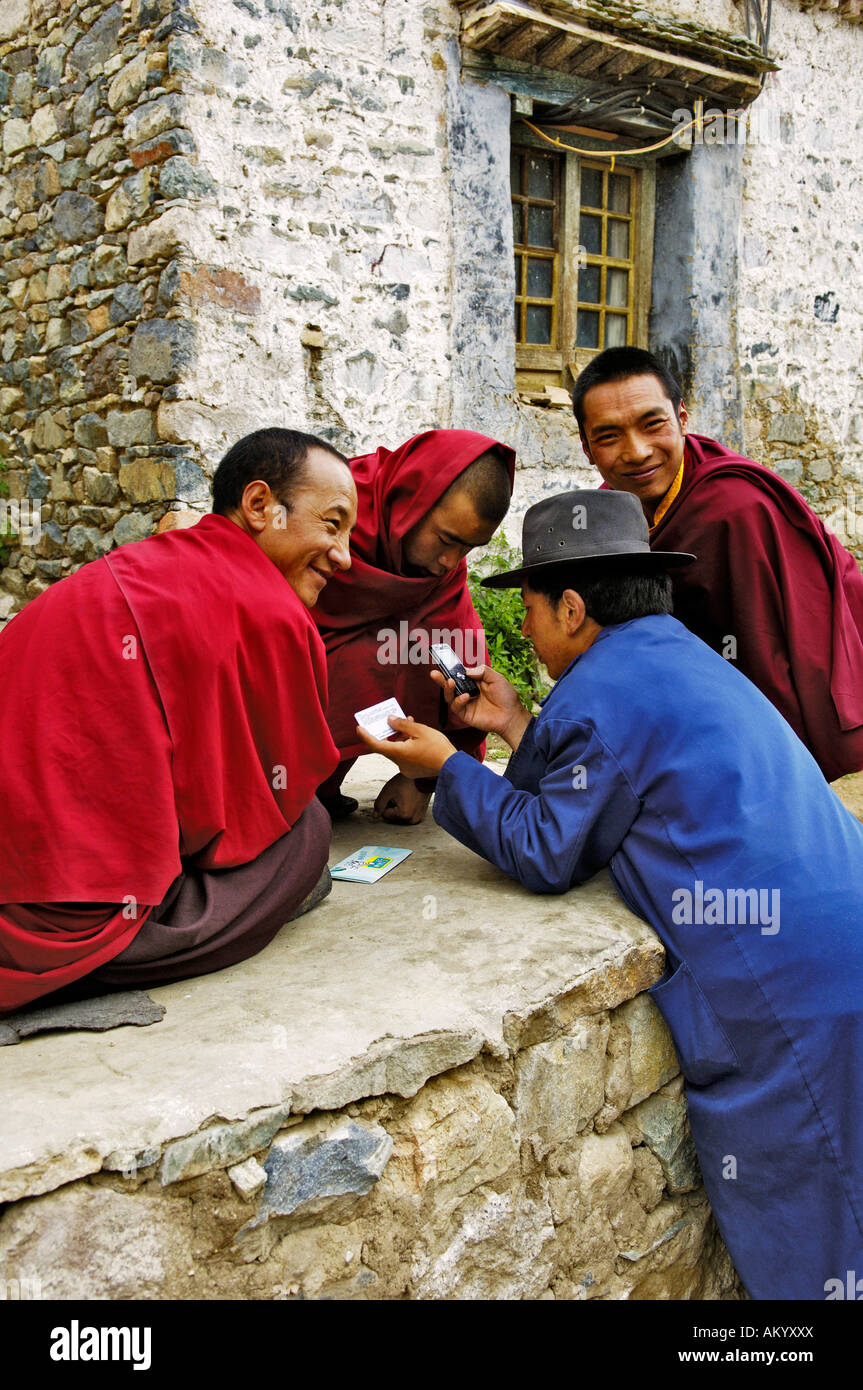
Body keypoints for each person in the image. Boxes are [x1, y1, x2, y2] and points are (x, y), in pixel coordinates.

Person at [357, 488, 863, 1300]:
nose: (522, 629)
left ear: (569, 606)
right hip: (836, 938)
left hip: (793, 988)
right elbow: (603, 783)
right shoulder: (671, 655)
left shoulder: (599, 694)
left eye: (526, 608)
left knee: (823, 1224)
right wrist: (516, 726)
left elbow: (544, 847)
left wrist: (444, 766)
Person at [0, 428, 357, 1014]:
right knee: (307, 836)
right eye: (332, 524)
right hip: (48, 925)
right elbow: (259, 810)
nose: (343, 557)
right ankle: (92, 963)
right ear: (260, 505)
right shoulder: (268, 611)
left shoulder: (133, 567)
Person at [571, 345, 863, 782]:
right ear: (587, 447)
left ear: (683, 420)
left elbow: (761, 650)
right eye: (609, 436)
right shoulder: (616, 505)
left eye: (653, 425)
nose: (636, 452)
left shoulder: (734, 509)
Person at [313, 429, 515, 825]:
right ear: (410, 501)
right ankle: (307, 784)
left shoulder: (443, 569)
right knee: (351, 659)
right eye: (445, 540)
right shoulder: (334, 508)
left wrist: (425, 780)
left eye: (467, 549)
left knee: (452, 655)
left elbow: (463, 657)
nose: (449, 562)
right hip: (294, 675)